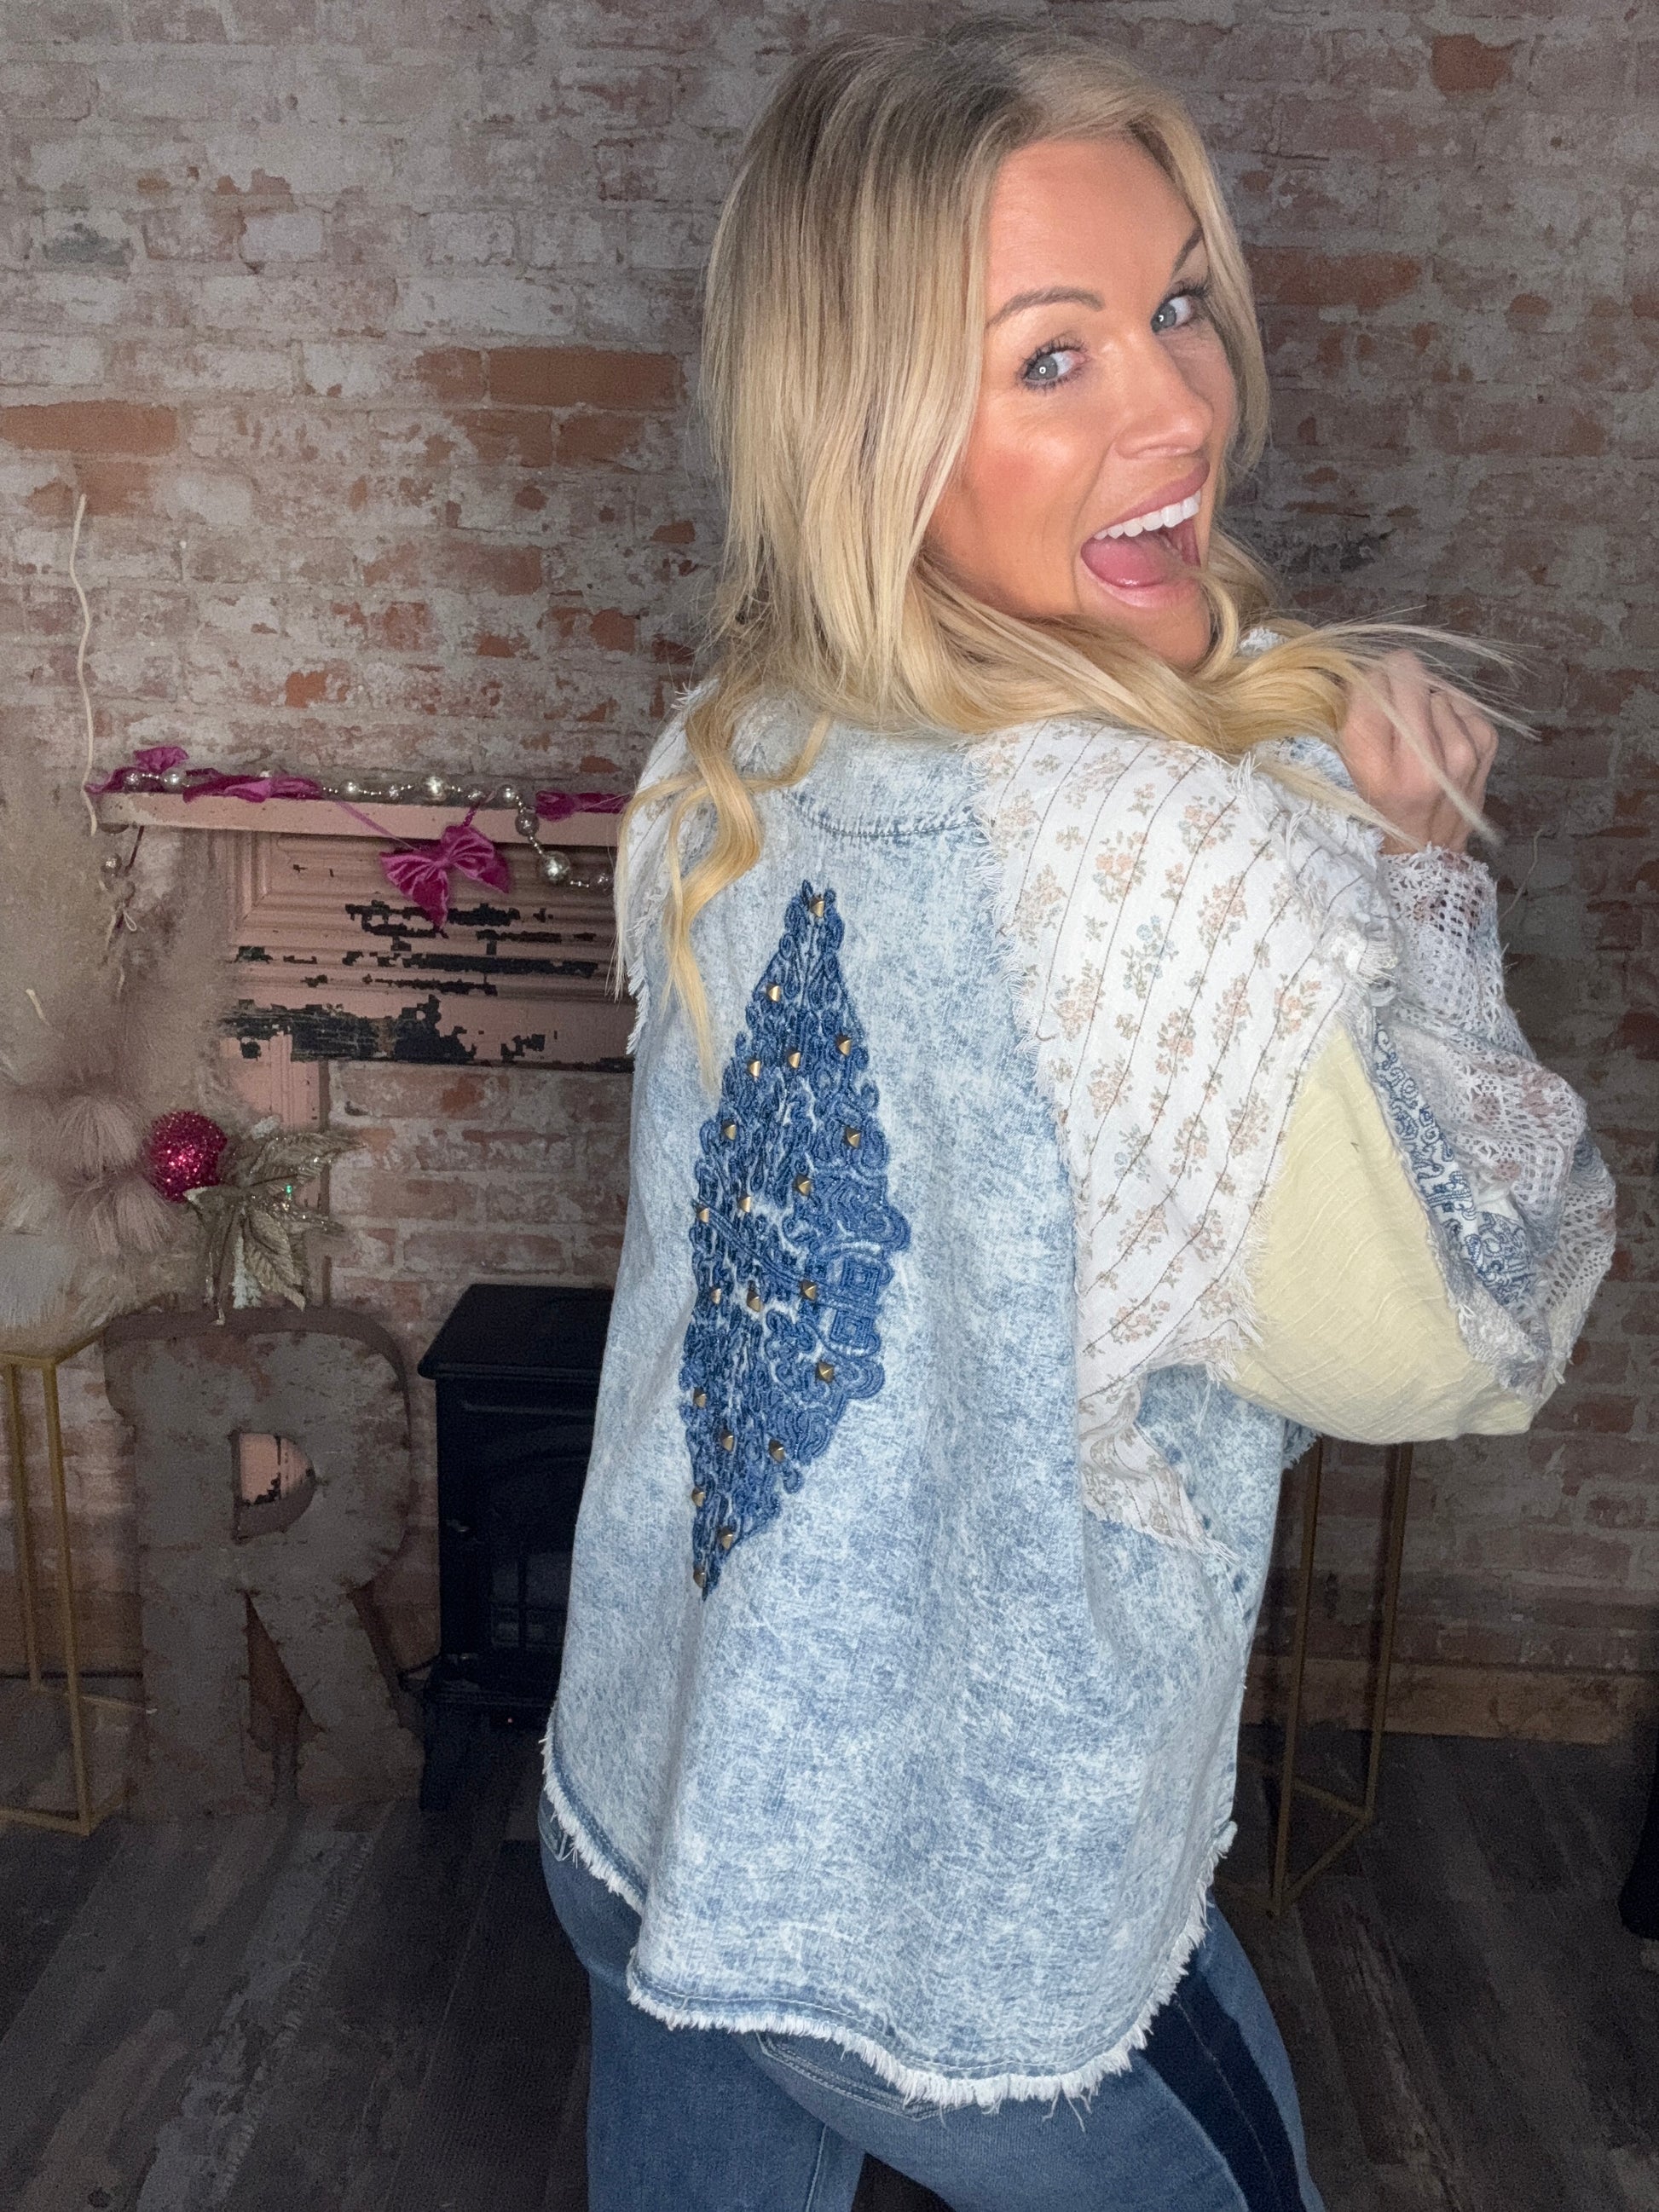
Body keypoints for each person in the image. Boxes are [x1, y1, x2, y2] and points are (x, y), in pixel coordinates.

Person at [538, 20, 1616, 2210]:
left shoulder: (730, 746)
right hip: (962, 1928)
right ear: (863, 421)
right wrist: (1421, 887)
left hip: (657, 1784)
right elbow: (1456, 1341)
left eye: (1178, 308)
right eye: (1050, 357)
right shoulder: (1173, 870)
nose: (1181, 410)